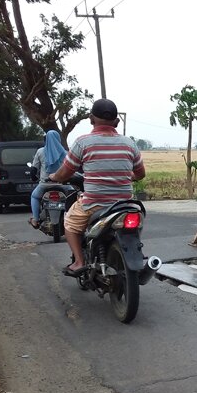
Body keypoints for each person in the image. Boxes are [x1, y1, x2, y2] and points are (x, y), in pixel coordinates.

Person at [49, 98, 145, 277]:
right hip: (125, 204)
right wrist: (125, 176)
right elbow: (140, 174)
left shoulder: (83, 142)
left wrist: (53, 176)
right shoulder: (129, 143)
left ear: (91, 119)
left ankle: (78, 262)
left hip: (94, 204)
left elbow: (64, 174)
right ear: (116, 122)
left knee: (69, 223)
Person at [28, 130, 67, 229]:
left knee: (34, 197)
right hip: (62, 184)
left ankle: (36, 220)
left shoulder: (40, 151)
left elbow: (33, 169)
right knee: (72, 198)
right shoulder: (64, 152)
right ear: (58, 139)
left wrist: (33, 178)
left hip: (44, 185)